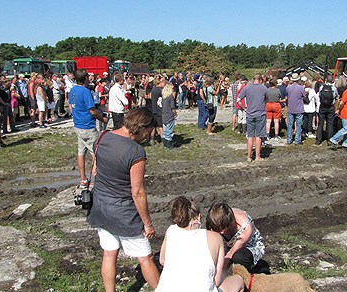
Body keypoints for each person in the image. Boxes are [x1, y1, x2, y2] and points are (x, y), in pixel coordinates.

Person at [87, 108, 159, 292]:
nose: (147, 136)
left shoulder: (102, 137)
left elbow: (95, 171)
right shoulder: (136, 151)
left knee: (109, 255)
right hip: (124, 214)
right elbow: (138, 193)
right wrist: (148, 223)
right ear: (141, 127)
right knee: (146, 258)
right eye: (148, 131)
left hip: (101, 207)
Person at [156, 196, 244, 292]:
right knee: (238, 280)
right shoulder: (215, 238)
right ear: (198, 216)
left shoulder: (171, 231)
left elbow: (162, 260)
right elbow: (216, 280)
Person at [68, 68, 109, 189]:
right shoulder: (85, 92)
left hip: (78, 125)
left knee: (81, 152)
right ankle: (94, 180)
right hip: (88, 126)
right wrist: (103, 119)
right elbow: (92, 111)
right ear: (85, 78)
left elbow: (71, 106)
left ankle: (83, 179)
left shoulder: (73, 90)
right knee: (96, 153)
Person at [206, 202, 266, 274]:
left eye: (223, 229)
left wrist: (220, 273)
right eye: (218, 230)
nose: (221, 233)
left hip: (248, 247)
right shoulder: (214, 221)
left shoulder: (245, 227)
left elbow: (231, 252)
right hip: (227, 245)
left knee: (239, 257)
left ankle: (246, 276)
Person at [237, 73, 267, 162]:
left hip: (249, 114)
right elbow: (267, 99)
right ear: (261, 80)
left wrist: (244, 108)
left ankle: (249, 157)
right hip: (260, 114)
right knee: (258, 136)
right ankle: (257, 156)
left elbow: (238, 100)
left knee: (250, 136)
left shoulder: (247, 88)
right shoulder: (263, 88)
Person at [316, 76, 339, 146]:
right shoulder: (333, 88)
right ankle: (330, 140)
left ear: (326, 80)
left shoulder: (321, 87)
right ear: (332, 81)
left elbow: (319, 95)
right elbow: (336, 96)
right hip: (330, 107)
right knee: (330, 123)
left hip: (322, 106)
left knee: (320, 123)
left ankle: (318, 140)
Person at [285, 73, 305, 145]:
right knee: (299, 125)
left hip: (290, 108)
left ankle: (289, 139)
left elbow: (287, 96)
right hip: (299, 108)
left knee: (290, 125)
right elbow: (304, 96)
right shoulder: (301, 88)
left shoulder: (288, 88)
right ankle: (297, 140)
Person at [160, 83, 177, 149]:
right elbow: (172, 107)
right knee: (169, 131)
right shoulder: (170, 97)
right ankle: (169, 145)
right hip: (169, 115)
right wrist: (175, 113)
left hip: (164, 114)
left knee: (165, 130)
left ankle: (165, 144)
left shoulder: (163, 97)